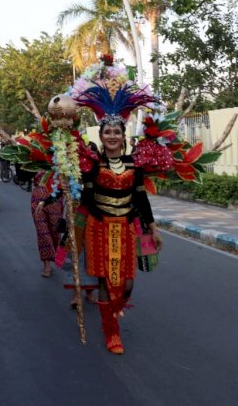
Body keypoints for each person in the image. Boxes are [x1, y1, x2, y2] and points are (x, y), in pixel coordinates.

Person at [77, 118, 162, 355]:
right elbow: (86, 198)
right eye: (107, 132)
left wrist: (153, 228)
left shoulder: (134, 164)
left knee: (126, 282)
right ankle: (112, 333)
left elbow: (141, 199)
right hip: (99, 227)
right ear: (101, 136)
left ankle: (115, 308)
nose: (112, 135)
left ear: (123, 136)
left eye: (116, 131)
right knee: (105, 279)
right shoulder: (92, 163)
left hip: (125, 227)